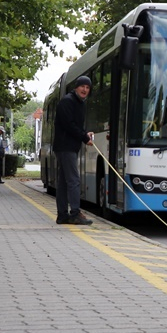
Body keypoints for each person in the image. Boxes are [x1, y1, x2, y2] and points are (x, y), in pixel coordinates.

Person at [53, 76, 95, 225]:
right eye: (82, 86)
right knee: (74, 181)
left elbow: (77, 125)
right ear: (76, 87)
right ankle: (75, 213)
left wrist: (85, 134)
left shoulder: (80, 104)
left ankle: (62, 215)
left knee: (64, 182)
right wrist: (84, 137)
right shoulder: (67, 102)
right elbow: (69, 125)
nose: (85, 90)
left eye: (87, 87)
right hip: (65, 147)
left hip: (70, 146)